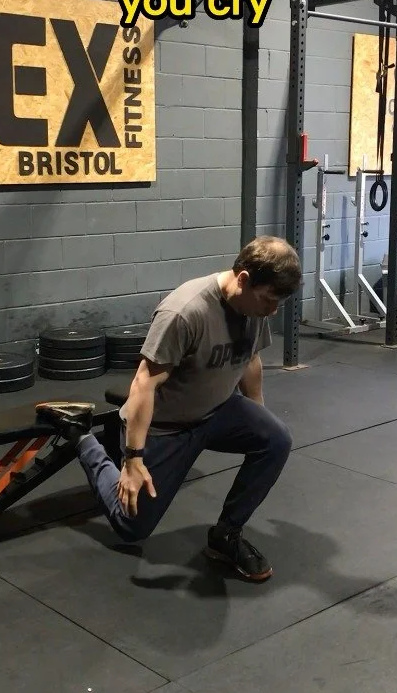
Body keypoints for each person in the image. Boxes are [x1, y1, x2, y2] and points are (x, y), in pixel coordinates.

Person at [36, 235, 301, 582]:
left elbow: (250, 359)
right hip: (168, 425)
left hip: (218, 409)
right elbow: (143, 384)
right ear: (243, 279)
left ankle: (226, 536)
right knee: (131, 527)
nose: (273, 310)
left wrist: (258, 414)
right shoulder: (185, 311)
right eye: (269, 300)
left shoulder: (253, 306)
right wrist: (132, 460)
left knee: (276, 439)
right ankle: (82, 438)